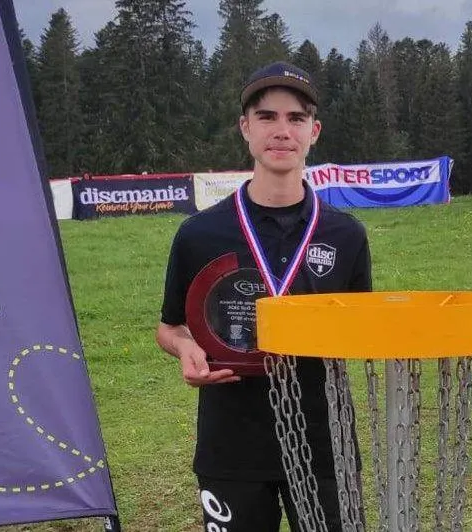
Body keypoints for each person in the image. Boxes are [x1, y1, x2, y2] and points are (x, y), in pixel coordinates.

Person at [156, 61, 372, 532]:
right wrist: (185, 348)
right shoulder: (200, 233)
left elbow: (358, 328)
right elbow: (170, 327)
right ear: (245, 128)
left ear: (314, 131)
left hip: (323, 441)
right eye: (267, 116)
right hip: (231, 441)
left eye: (296, 118)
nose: (282, 130)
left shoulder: (345, 235)